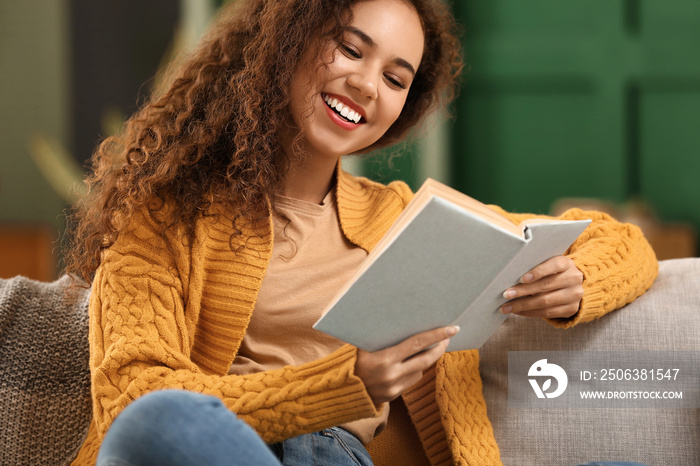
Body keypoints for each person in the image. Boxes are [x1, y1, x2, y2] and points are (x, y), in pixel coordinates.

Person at [65, 0, 658, 464]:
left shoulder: (406, 221)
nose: (369, 86)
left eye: (397, 79)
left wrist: (580, 282)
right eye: (352, 49)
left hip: (338, 456)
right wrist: (343, 384)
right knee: (159, 424)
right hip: (222, 452)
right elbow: (131, 397)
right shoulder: (164, 215)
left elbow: (620, 241)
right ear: (287, 41)